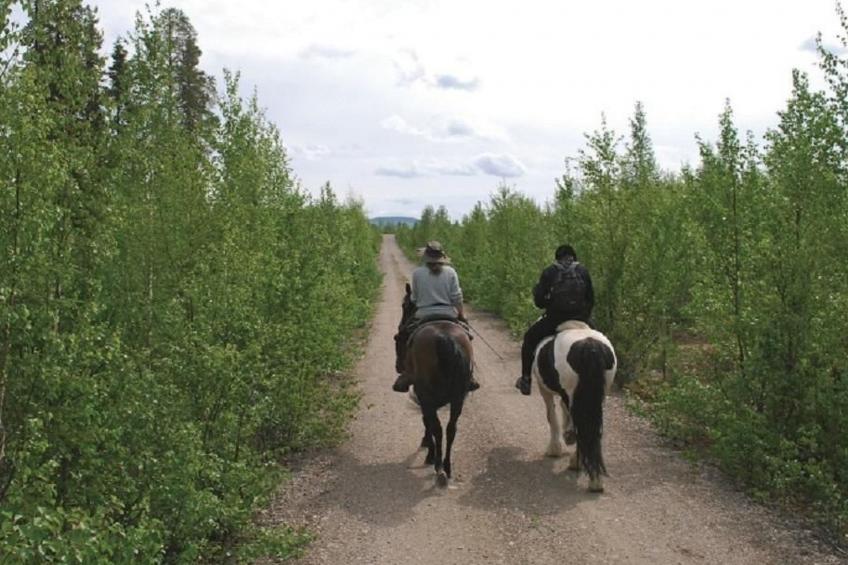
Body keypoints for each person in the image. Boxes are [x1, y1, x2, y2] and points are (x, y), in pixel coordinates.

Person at [392, 241, 479, 393]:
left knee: (402, 336)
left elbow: (414, 299)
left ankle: (407, 373)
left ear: (426, 257)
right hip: (448, 314)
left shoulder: (418, 273)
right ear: (442, 257)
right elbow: (457, 297)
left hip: (424, 314)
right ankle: (469, 375)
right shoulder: (451, 272)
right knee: (467, 336)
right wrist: (462, 314)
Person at [515, 244, 594, 395]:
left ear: (557, 258)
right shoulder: (583, 271)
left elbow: (539, 302)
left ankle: (526, 380)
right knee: (600, 341)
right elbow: (591, 299)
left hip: (555, 320)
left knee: (529, 339)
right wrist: (584, 316)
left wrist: (549, 303)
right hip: (581, 319)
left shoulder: (550, 271)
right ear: (574, 257)